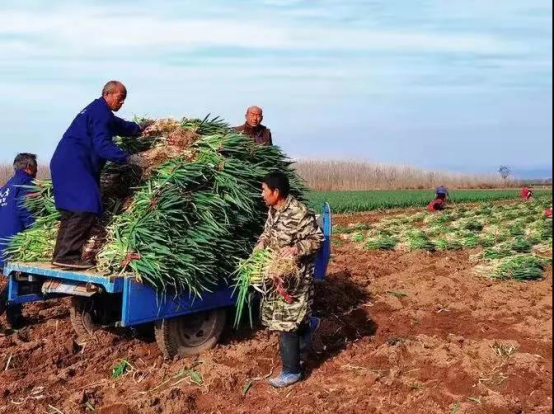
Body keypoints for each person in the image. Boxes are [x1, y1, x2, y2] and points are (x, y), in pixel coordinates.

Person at [50, 81, 149, 269]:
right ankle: (68, 255)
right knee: (86, 205)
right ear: (108, 94)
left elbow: (119, 125)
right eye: (120, 99)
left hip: (67, 162)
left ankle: (59, 255)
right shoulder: (100, 113)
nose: (122, 103)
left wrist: (139, 128)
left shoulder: (99, 111)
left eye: (124, 100)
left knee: (71, 210)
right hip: (74, 163)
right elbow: (102, 145)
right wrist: (128, 158)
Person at [256, 171, 324, 388]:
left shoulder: (299, 212)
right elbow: (268, 232)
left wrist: (296, 249)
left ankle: (291, 372)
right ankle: (309, 326)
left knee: (285, 324)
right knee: (291, 316)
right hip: (279, 275)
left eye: (264, 190)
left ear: (276, 192)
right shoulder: (274, 210)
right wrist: (262, 243)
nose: (262, 194)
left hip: (297, 277)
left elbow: (317, 240)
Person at [0, 153, 38, 326]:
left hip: (2, 242)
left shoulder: (6, 187)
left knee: (15, 280)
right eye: (35, 167)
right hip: (14, 244)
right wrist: (38, 232)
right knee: (21, 280)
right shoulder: (26, 184)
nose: (37, 170)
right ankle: (11, 315)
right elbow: (26, 212)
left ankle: (14, 318)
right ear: (29, 167)